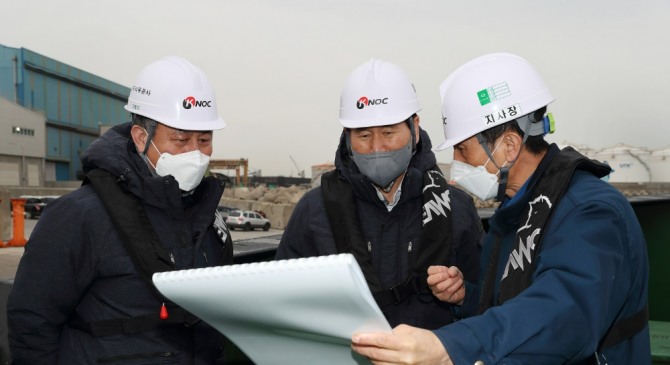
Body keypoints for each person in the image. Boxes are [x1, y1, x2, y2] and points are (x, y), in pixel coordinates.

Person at [351, 52, 650, 364]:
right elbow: (509, 306)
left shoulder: (590, 212)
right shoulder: (515, 214)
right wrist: (466, 297)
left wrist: (450, 346)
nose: (457, 166)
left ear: (508, 146)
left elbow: (563, 313)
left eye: (463, 150)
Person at [7, 56, 233, 364]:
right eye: (181, 139)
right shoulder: (80, 216)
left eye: (204, 140)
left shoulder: (209, 217)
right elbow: (32, 321)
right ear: (142, 138)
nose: (195, 152)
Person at [275, 59, 484, 329]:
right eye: (363, 136)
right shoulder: (315, 210)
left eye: (389, 132)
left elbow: (489, 302)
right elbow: (282, 303)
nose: (377, 147)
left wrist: (463, 294)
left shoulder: (457, 208)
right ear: (347, 137)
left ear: (415, 128)